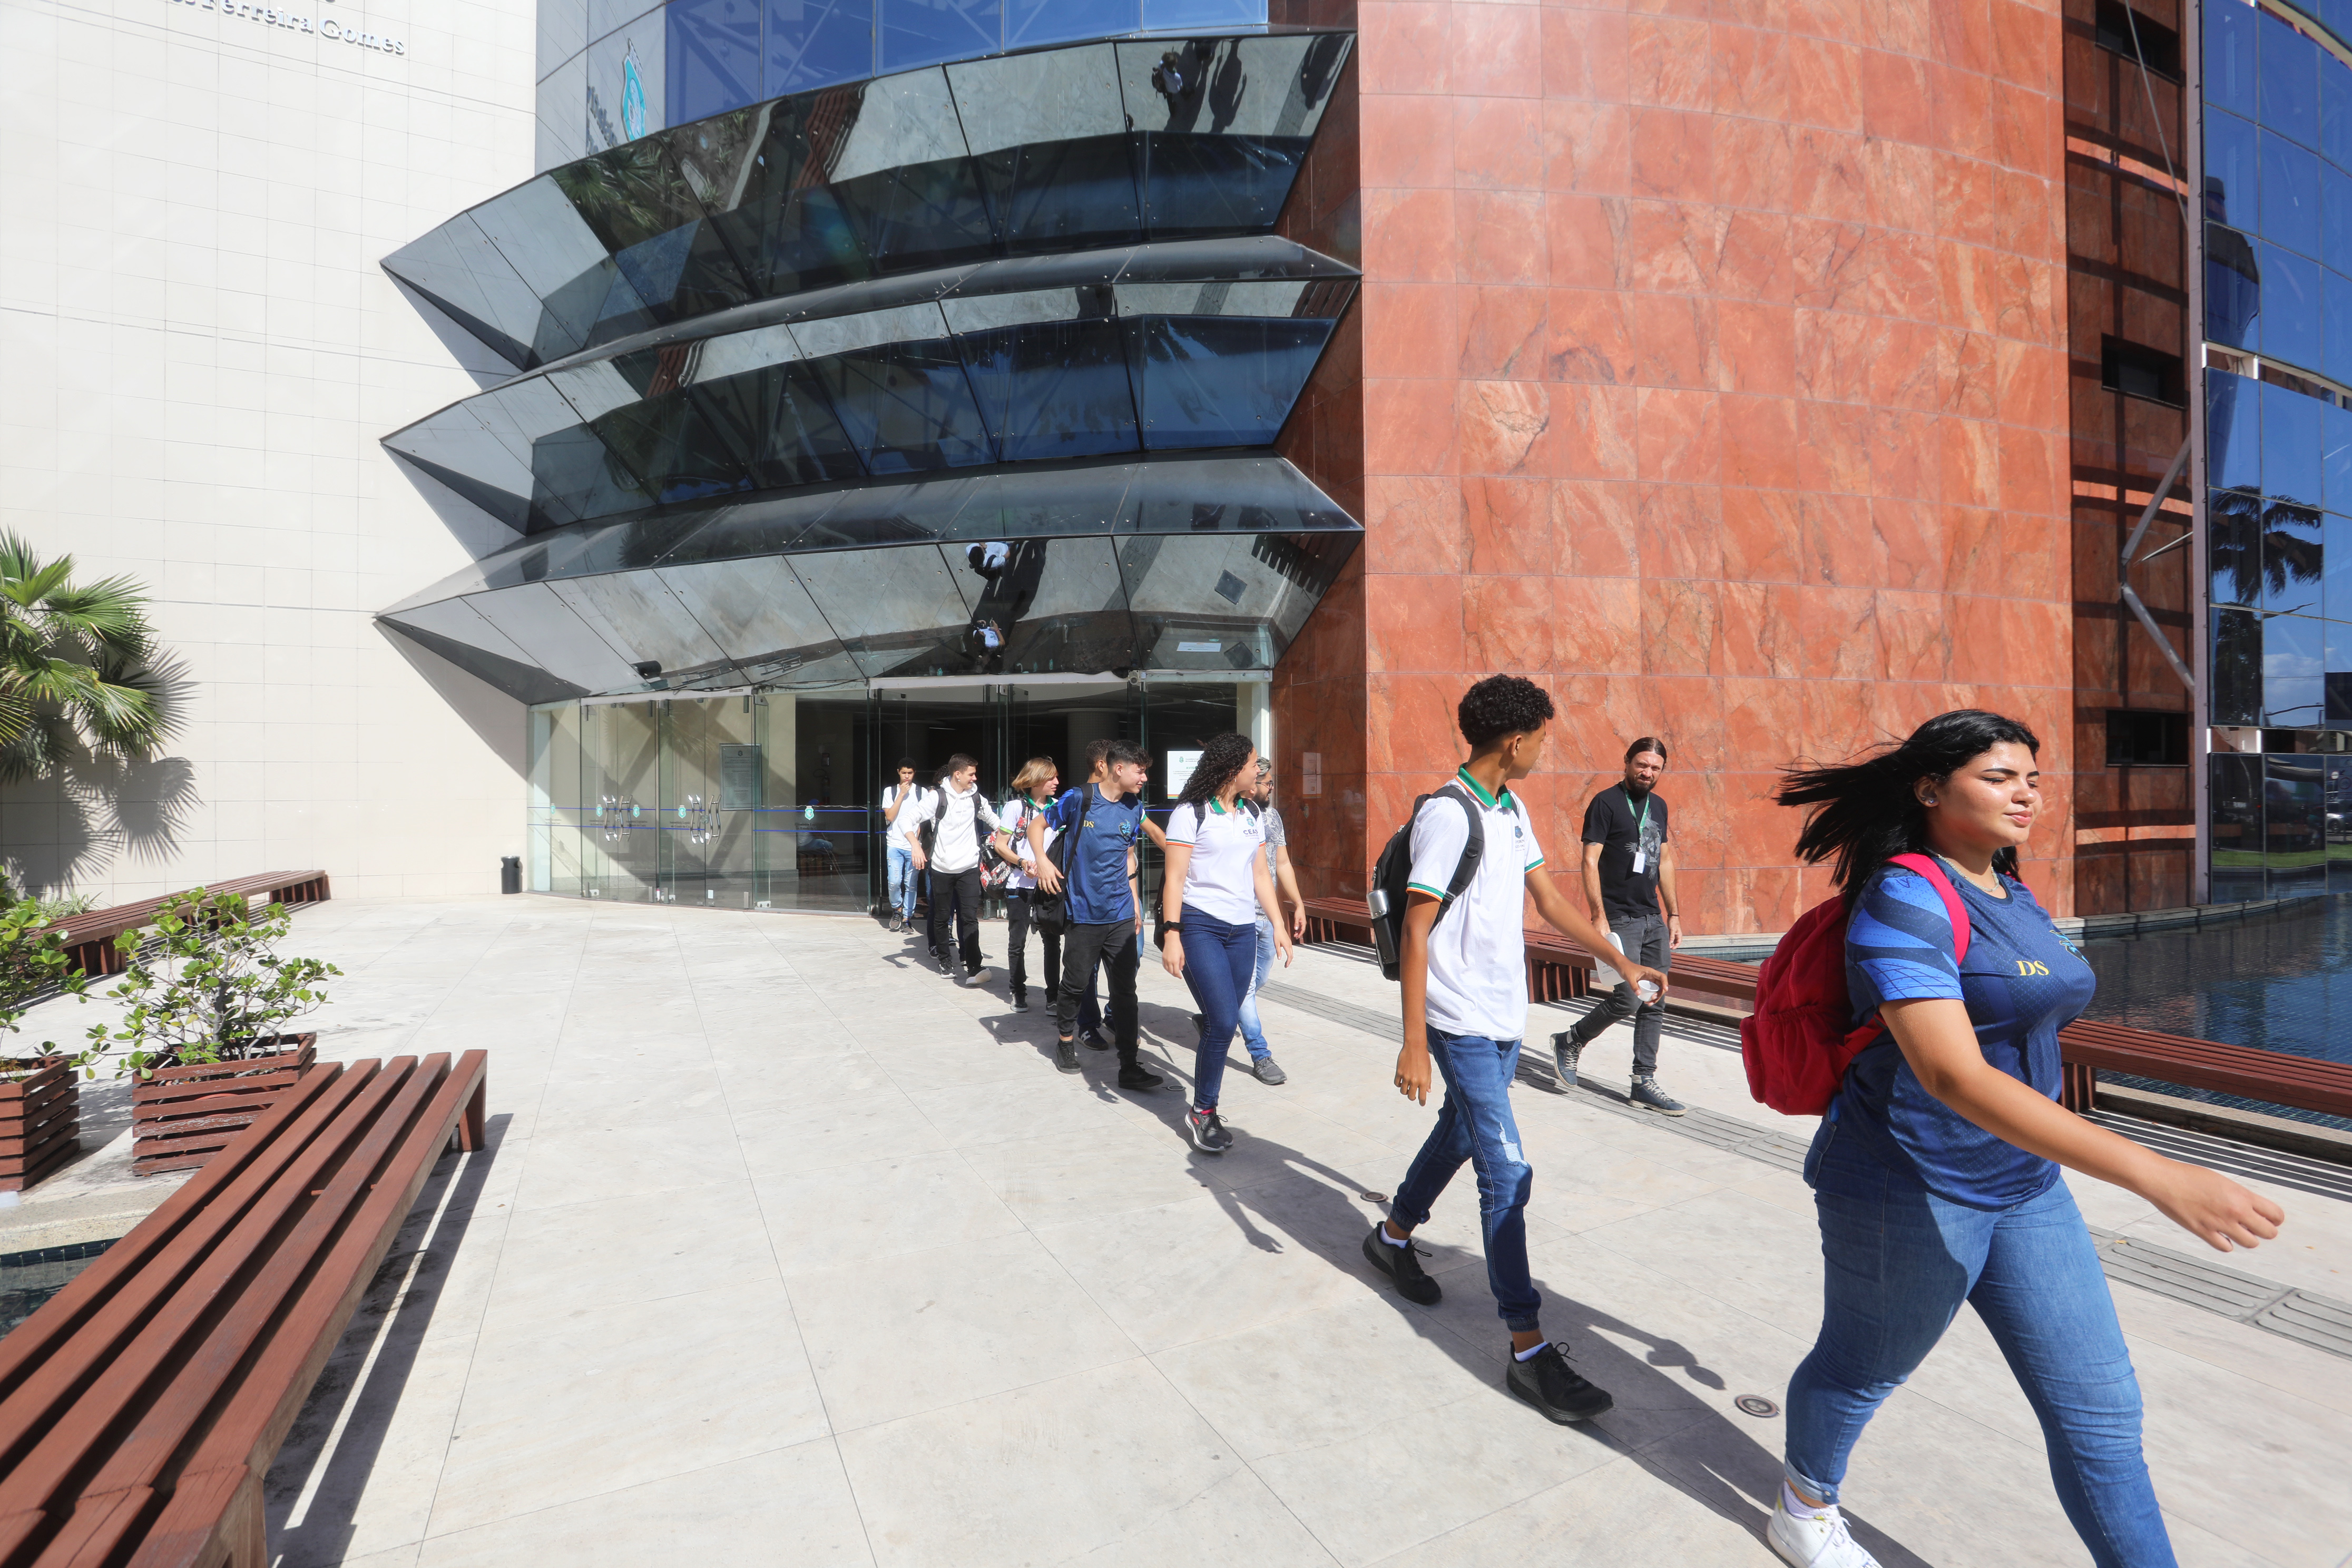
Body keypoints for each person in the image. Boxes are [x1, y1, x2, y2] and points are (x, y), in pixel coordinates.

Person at [1760, 710, 2286, 1568]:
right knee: (1862, 1368)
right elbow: (1951, 1074)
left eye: (2033, 779)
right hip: (1907, 1182)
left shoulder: (2012, 889)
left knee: (2100, 1415)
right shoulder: (1904, 895)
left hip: (2026, 1185)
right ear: (1929, 790)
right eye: (1999, 777)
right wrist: (2156, 1174)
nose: (2027, 795)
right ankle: (1803, 1505)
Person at [1361, 675, 1668, 1425]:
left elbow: (1552, 902)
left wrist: (1619, 960)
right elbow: (1415, 928)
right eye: (1543, 739)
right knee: (1507, 1172)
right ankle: (1528, 1351)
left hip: (1503, 1015)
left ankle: (1392, 1236)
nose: (1544, 751)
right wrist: (1413, 1041)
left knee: (1463, 1134)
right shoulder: (1449, 814)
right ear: (1515, 740)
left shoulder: (1512, 809)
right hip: (1457, 1019)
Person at [1159, 733, 1294, 1151]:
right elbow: (1175, 879)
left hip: (1242, 931)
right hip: (1200, 926)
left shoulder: (1252, 812)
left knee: (1226, 1021)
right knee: (1221, 1022)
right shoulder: (1190, 813)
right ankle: (1203, 1111)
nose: (1260, 772)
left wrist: (1278, 924)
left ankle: (1206, 1100)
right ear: (1233, 769)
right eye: (1254, 765)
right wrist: (1171, 934)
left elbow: (1260, 874)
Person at [1551, 737, 1684, 1114]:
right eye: (1642, 764)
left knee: (1655, 999)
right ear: (1627, 762)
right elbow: (1589, 861)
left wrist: (1673, 914)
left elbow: (1665, 861)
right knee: (1627, 997)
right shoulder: (1605, 803)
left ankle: (1643, 1081)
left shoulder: (1659, 806)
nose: (1647, 772)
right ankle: (1571, 1040)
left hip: (1652, 917)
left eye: (1655, 768)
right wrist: (1598, 914)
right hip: (1619, 916)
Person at [1027, 739, 1163, 1087]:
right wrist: (1042, 861)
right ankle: (1066, 1043)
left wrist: (1136, 903)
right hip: (1083, 914)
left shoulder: (1133, 807)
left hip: (1120, 914)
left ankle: (1129, 1066)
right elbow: (1036, 827)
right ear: (1119, 769)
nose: (1144, 778)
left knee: (1125, 992)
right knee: (1074, 985)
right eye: (1140, 771)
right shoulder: (1079, 798)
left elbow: (1129, 856)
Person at [1229, 759, 1306, 1084]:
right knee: (1246, 988)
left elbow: (1282, 862)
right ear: (1250, 782)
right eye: (1267, 783)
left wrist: (1297, 904)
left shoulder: (1271, 816)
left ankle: (1217, 1013)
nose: (1271, 788)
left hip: (1268, 917)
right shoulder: (1231, 816)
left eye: (1272, 782)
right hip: (1241, 917)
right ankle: (1260, 1054)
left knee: (1256, 981)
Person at [916, 753, 1000, 986]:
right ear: (958, 774)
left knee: (970, 917)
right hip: (942, 868)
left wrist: (1011, 839)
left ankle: (974, 964)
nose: (975, 778)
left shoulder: (976, 797)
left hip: (969, 867)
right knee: (942, 917)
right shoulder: (937, 797)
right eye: (971, 774)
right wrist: (915, 846)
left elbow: (995, 821)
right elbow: (909, 819)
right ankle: (945, 960)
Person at [997, 757, 1063, 1017]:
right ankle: (1018, 991)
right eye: (1051, 778)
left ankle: (1053, 996)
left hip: (1049, 884)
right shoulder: (1015, 807)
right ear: (1035, 781)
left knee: (1053, 942)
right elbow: (1000, 845)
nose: (1056, 782)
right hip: (1019, 885)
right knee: (1018, 941)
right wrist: (1022, 862)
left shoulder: (1059, 807)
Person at [879, 758, 928, 934]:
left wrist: (918, 838)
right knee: (894, 882)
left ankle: (907, 918)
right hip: (894, 843)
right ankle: (897, 909)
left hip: (913, 846)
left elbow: (925, 819)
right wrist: (901, 794)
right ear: (898, 772)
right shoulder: (890, 791)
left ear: (914, 773)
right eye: (904, 773)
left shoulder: (922, 792)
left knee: (911, 884)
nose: (907, 776)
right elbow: (890, 817)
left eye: (910, 773)